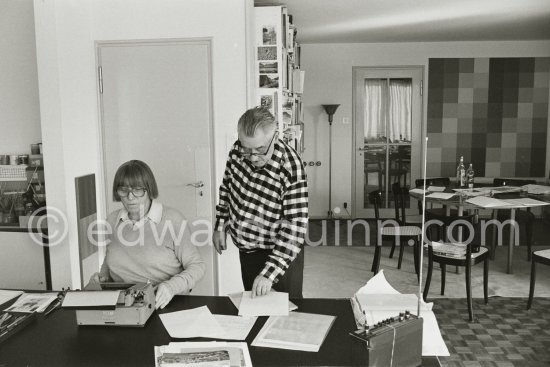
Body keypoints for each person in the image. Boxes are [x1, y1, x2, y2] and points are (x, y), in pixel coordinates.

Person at [213, 107, 308, 299]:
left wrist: (269, 274)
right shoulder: (237, 151)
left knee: (284, 317)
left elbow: (295, 228)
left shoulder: (291, 168)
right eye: (247, 149)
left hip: (280, 253)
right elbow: (227, 188)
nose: (253, 157)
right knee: (254, 310)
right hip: (247, 251)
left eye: (260, 149)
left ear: (276, 136)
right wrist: (221, 225)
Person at [89, 160, 205, 309]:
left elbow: (197, 266)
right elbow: (111, 258)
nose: (130, 197)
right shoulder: (112, 220)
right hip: (124, 304)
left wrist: (171, 287)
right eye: (123, 190)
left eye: (137, 190)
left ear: (149, 189)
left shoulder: (173, 220)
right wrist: (103, 278)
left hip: (164, 302)